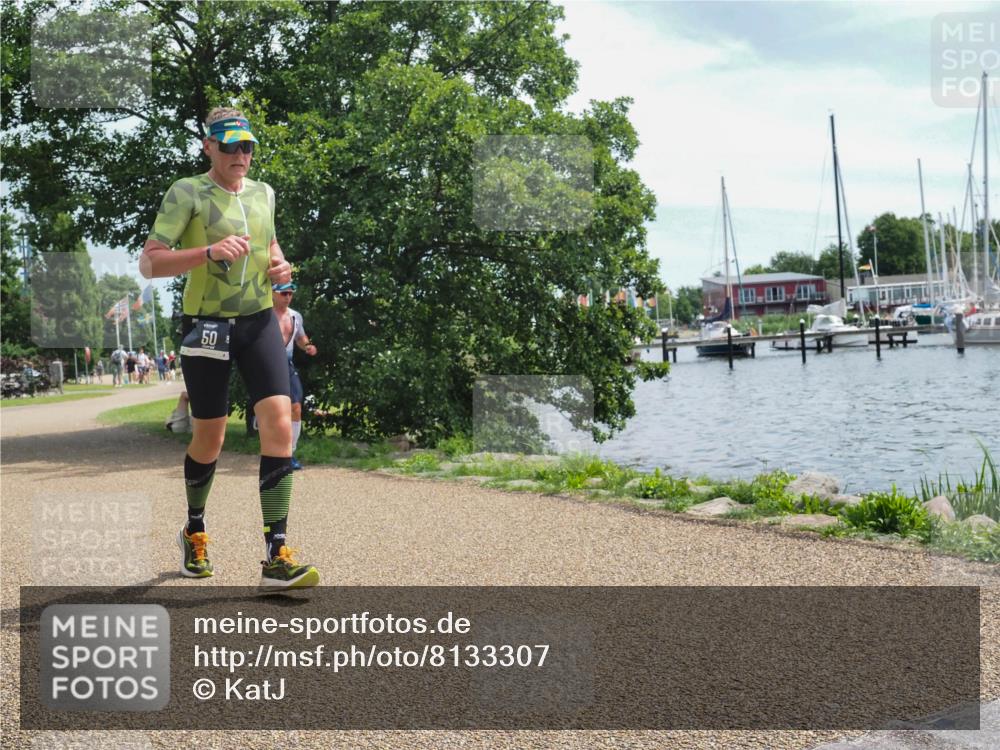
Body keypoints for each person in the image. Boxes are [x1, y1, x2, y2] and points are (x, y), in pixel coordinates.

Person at [141, 106, 318, 589]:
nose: (241, 154)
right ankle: (195, 531)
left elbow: (271, 247)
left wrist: (280, 267)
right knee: (210, 437)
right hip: (207, 325)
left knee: (280, 422)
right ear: (209, 147)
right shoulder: (187, 192)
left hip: (258, 320)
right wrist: (208, 253)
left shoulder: (265, 194)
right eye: (230, 145)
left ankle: (276, 553)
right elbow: (150, 264)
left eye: (248, 146)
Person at [270, 282, 317, 470]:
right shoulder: (264, 315)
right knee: (272, 410)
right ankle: (273, 452)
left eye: (290, 293)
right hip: (266, 364)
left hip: (286, 364)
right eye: (283, 293)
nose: (287, 297)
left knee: (296, 407)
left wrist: (307, 346)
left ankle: (290, 453)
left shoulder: (295, 316)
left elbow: (300, 337)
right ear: (273, 293)